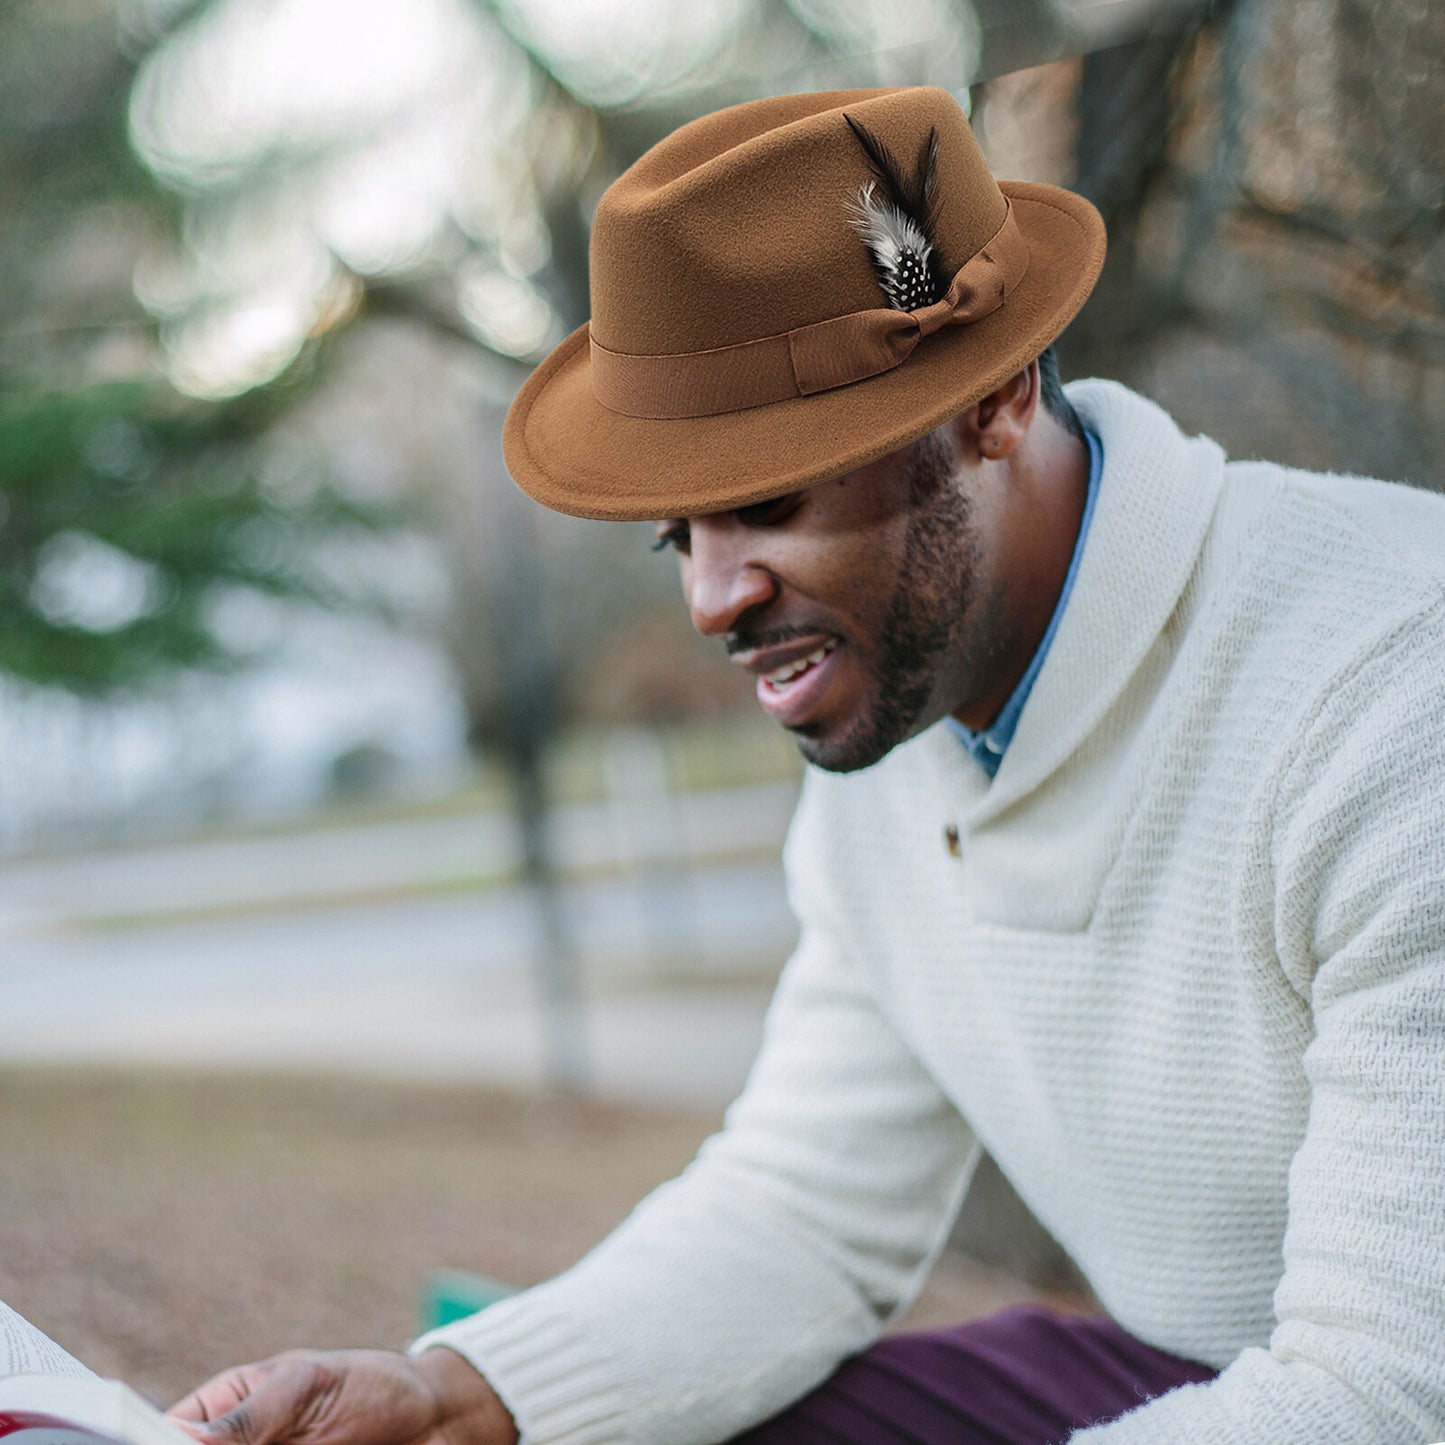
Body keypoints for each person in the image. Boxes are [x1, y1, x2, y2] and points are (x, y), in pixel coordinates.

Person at [168, 87, 1445, 1445]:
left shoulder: (1384, 693)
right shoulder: (903, 717)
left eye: (770, 501)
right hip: (1200, 1374)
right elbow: (805, 1212)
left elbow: (1385, 1391)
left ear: (995, 399)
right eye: (678, 535)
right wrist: (451, 1395)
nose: (714, 599)